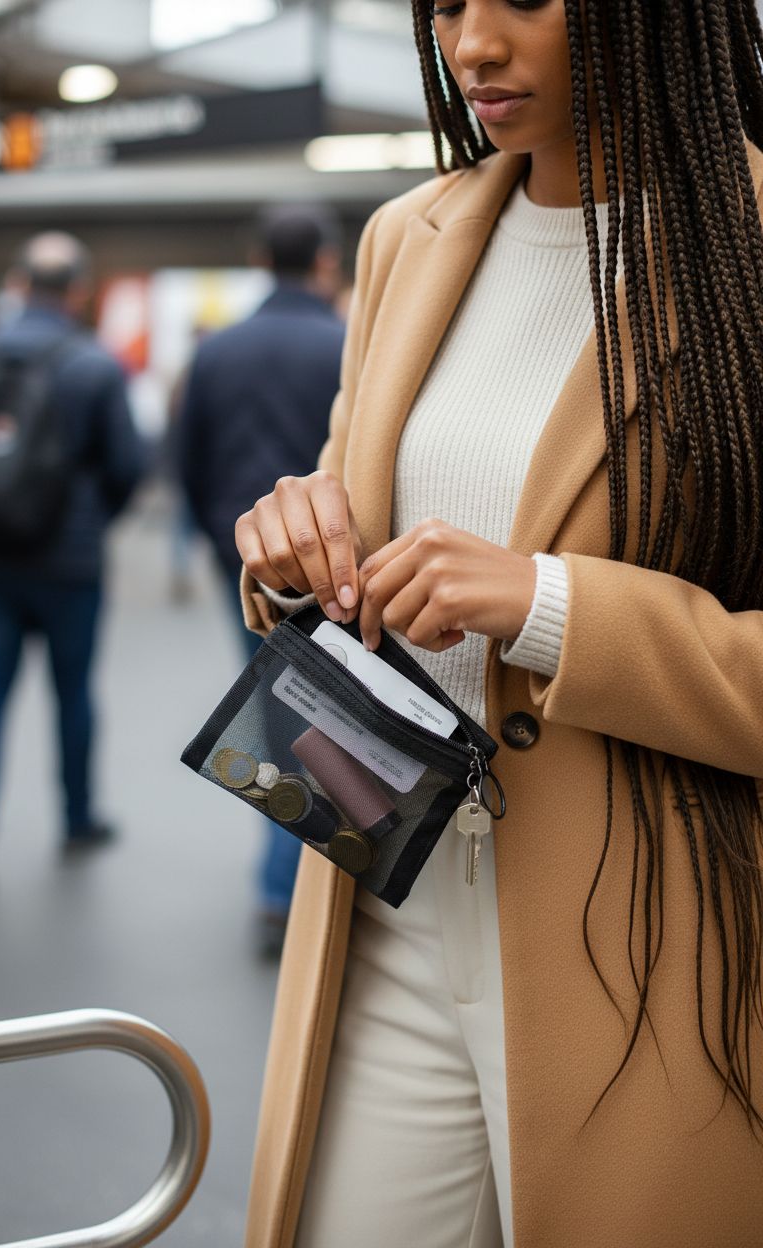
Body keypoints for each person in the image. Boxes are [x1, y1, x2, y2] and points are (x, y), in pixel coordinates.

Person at [232, 2, 763, 1245]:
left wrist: (551, 604)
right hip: (388, 885)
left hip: (646, 933)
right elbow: (343, 510)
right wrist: (290, 550)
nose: (470, 46)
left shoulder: (746, 244)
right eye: (446, 6)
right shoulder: (407, 239)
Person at [0, 232, 144, 898]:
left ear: (19, 285)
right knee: (72, 691)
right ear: (78, 292)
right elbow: (128, 467)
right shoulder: (93, 364)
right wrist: (91, 522)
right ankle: (78, 818)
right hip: (69, 562)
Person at [179, 205, 345, 953]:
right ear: (326, 264)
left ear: (256, 259)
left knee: (279, 708)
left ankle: (284, 886)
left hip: (242, 562)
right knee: (320, 715)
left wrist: (216, 540)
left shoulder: (218, 351)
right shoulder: (345, 344)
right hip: (331, 565)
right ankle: (288, 889)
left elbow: (185, 457)